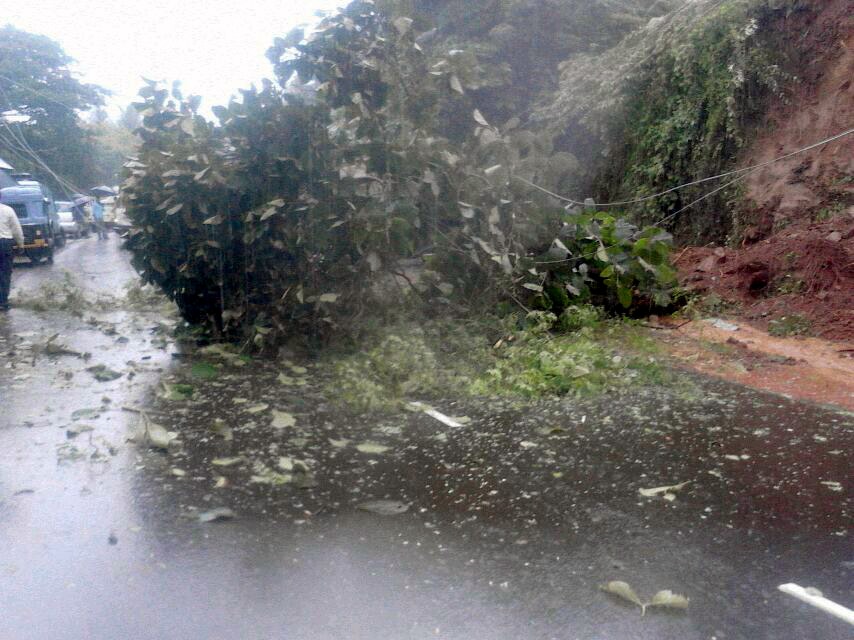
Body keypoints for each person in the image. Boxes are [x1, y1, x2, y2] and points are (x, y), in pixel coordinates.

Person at [0, 201, 24, 311]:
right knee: (5, 273)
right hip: (5, 244)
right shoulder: (8, 210)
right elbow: (16, 229)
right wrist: (20, 244)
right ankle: (3, 301)